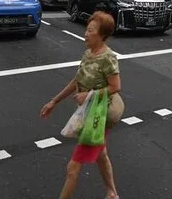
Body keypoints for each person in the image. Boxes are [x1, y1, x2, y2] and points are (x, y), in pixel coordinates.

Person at [41, 11, 124, 199]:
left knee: (73, 167)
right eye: (86, 29)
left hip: (99, 115)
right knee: (101, 153)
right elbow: (76, 80)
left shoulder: (108, 58)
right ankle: (112, 193)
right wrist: (54, 101)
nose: (86, 34)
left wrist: (89, 94)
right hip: (89, 110)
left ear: (102, 35)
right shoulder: (88, 53)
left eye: (91, 31)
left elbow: (116, 87)